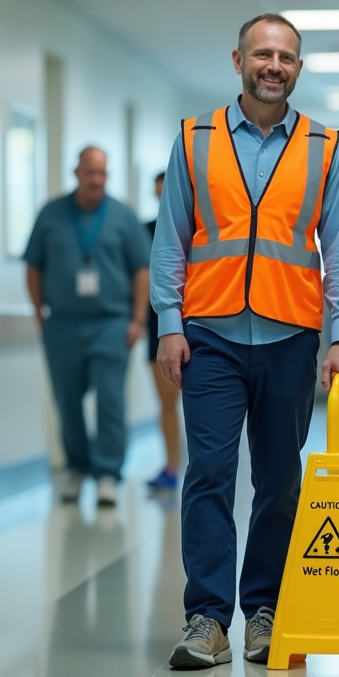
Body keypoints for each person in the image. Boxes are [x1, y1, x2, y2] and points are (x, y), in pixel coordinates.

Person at [149, 13, 339, 670]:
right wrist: (168, 324)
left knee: (279, 480)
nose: (274, 66)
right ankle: (207, 619)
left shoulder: (324, 148)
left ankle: (263, 611)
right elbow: (171, 239)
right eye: (263, 54)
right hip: (209, 333)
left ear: (299, 67)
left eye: (287, 57)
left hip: (291, 337)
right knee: (209, 475)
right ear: (237, 59)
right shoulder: (194, 140)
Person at [24, 147, 151, 508]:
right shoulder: (51, 215)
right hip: (63, 324)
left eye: (102, 173)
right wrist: (39, 314)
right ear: (76, 173)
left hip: (111, 323)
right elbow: (33, 267)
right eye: (90, 173)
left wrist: (138, 319)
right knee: (68, 401)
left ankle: (108, 473)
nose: (97, 180)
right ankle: (77, 468)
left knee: (110, 400)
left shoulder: (123, 217)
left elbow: (141, 269)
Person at [145, 172, 183, 491]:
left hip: (197, 324)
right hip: (158, 328)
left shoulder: (196, 229)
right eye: (157, 194)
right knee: (167, 403)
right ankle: (172, 467)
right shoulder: (143, 231)